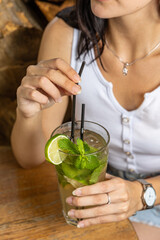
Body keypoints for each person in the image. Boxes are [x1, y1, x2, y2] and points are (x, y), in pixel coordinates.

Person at [11, 1, 160, 239]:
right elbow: (31, 159)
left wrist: (141, 193)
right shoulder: (65, 33)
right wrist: (28, 113)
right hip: (93, 193)